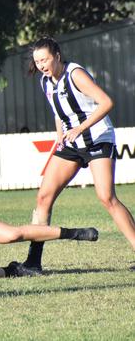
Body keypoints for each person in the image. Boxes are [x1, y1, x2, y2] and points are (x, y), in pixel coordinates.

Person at [19, 37, 135, 275]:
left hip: (98, 138)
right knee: (43, 198)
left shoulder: (75, 74)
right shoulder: (45, 82)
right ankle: (33, 263)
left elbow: (106, 102)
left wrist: (80, 128)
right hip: (72, 143)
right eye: (37, 61)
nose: (41, 65)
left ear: (57, 56)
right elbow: (58, 112)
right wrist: (59, 134)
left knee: (106, 197)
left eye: (45, 59)